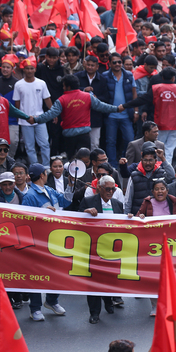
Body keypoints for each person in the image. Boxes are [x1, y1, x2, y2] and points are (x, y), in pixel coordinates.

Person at [22, 163, 74, 321]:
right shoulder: (30, 196)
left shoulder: (49, 190)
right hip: (39, 242)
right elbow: (25, 220)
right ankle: (35, 308)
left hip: (54, 240)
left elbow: (65, 202)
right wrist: (42, 215)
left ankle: (52, 301)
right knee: (36, 275)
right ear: (43, 175)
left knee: (56, 271)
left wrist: (70, 186)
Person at [29, 75, 121, 160]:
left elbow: (50, 114)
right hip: (84, 135)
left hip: (69, 137)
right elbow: (103, 107)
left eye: (64, 86)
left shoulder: (62, 100)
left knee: (72, 161)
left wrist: (36, 119)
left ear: (68, 87)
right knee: (86, 160)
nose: (63, 88)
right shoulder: (88, 97)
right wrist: (117, 109)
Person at [134, 179, 176, 317]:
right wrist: (139, 217)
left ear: (167, 190)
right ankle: (154, 306)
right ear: (152, 192)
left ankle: (170, 304)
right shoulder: (147, 203)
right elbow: (137, 219)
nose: (160, 191)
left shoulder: (173, 202)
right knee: (153, 277)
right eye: (157, 189)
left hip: (170, 246)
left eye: (162, 189)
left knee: (170, 276)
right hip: (152, 248)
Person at [121, 67, 176, 162]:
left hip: (160, 124)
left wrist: (124, 106)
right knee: (169, 150)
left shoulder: (156, 88)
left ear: (162, 78)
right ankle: (166, 170)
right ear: (173, 78)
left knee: (158, 148)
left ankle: (158, 169)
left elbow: (141, 100)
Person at [78, 175, 124, 324]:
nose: (111, 191)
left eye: (113, 189)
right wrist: (85, 212)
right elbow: (76, 220)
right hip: (93, 249)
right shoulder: (88, 201)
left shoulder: (117, 204)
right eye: (108, 189)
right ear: (99, 188)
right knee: (93, 282)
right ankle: (94, 312)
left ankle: (108, 301)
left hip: (112, 250)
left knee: (110, 279)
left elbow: (123, 224)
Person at [13, 56, 52, 166]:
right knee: (29, 146)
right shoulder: (18, 84)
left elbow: (47, 99)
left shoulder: (41, 83)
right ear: (23, 69)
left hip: (40, 118)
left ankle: (46, 166)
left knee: (44, 143)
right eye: (27, 68)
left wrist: (53, 113)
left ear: (35, 69)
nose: (29, 71)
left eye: (31, 68)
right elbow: (17, 103)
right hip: (25, 120)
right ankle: (35, 166)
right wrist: (18, 117)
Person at [102, 53, 138, 168]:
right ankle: (112, 164)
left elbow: (134, 93)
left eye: (119, 62)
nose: (117, 64)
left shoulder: (128, 75)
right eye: (114, 62)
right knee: (110, 141)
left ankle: (125, 161)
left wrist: (136, 111)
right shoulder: (105, 76)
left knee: (129, 140)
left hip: (126, 114)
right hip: (111, 115)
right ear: (109, 64)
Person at [124, 145, 175, 215]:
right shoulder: (134, 176)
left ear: (156, 161)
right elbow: (128, 200)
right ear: (141, 160)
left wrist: (163, 158)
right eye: (145, 160)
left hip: (157, 216)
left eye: (151, 160)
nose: (148, 163)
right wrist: (126, 216)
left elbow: (172, 176)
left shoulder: (161, 173)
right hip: (138, 216)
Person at [76, 55, 111, 150]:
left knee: (95, 143)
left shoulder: (102, 80)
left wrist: (96, 99)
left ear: (97, 67)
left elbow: (106, 97)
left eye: (92, 65)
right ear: (84, 65)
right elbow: (72, 91)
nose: (90, 67)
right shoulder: (77, 77)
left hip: (96, 116)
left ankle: (94, 163)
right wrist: (83, 90)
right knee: (81, 144)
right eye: (88, 65)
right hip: (80, 116)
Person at [0, 54, 21, 158]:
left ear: (12, 69)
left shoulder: (17, 84)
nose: (5, 69)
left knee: (14, 142)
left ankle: (10, 160)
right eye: (4, 67)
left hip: (12, 119)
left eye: (8, 67)